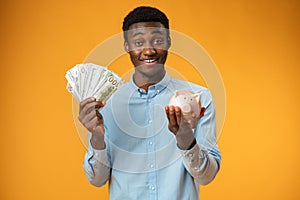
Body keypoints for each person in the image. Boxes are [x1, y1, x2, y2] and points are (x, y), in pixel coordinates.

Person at [79, 6, 221, 200]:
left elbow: (207, 176)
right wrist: (96, 137)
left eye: (158, 40)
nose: (149, 50)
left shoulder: (199, 98)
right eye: (138, 42)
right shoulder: (107, 104)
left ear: (169, 42)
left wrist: (186, 139)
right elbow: (97, 180)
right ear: (126, 45)